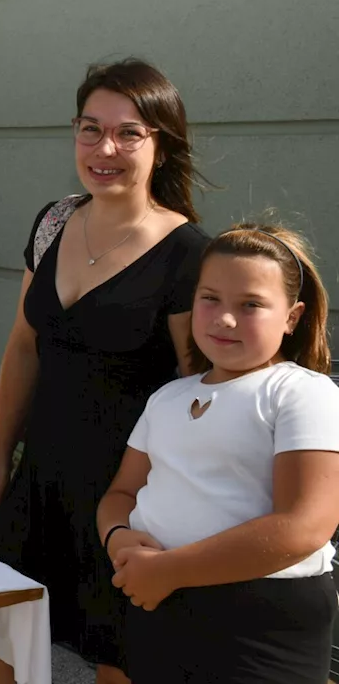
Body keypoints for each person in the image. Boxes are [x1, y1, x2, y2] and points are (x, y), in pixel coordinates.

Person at [0, 58, 211, 684]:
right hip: (40, 476)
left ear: (162, 143)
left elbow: (194, 388)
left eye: (129, 132)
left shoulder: (188, 252)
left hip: (126, 497)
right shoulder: (54, 221)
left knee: (118, 657)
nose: (106, 148)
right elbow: (24, 345)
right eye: (89, 128)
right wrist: (0, 457)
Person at [98, 223, 339, 683]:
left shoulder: (301, 393)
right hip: (156, 600)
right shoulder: (166, 398)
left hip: (257, 623)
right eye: (210, 299)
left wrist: (170, 569)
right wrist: (118, 538)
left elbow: (306, 524)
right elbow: (122, 493)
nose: (224, 318)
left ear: (292, 316)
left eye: (250, 304)